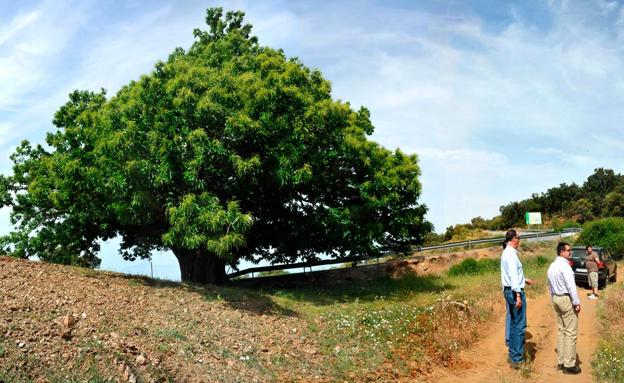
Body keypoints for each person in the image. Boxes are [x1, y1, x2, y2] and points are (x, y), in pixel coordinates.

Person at [500, 229, 534, 368]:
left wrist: (523, 280)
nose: (519, 241)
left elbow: (511, 274)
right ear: (513, 239)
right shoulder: (511, 255)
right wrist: (518, 295)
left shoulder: (506, 253)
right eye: (519, 238)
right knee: (519, 326)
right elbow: (513, 276)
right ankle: (517, 359)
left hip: (510, 290)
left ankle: (512, 355)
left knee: (514, 324)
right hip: (514, 292)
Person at [547, 242, 581, 375]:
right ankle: (569, 364)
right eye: (568, 250)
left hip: (556, 298)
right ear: (562, 252)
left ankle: (561, 362)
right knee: (571, 332)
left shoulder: (552, 266)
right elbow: (571, 286)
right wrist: (576, 302)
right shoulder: (565, 266)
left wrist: (553, 298)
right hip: (566, 299)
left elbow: (550, 285)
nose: (570, 252)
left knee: (561, 331)